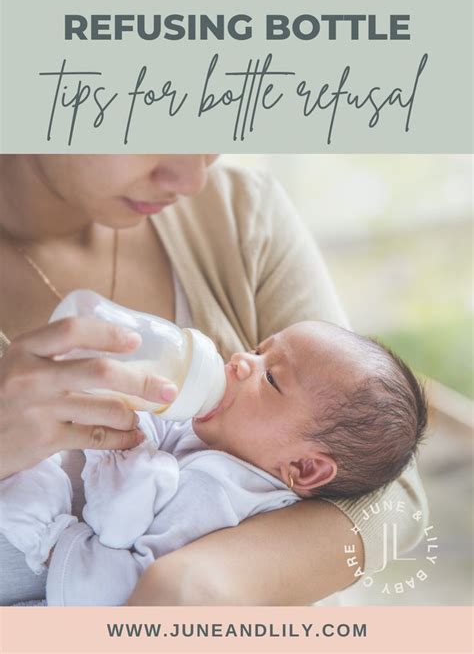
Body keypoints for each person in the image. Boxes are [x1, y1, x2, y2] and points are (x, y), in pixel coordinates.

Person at [0, 154, 428, 605]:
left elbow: (392, 492)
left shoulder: (238, 209)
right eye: (161, 136)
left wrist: (196, 581)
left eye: (211, 145)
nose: (191, 180)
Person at [0, 319, 427, 606]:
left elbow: (125, 543)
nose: (242, 361)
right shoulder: (222, 436)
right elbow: (153, 433)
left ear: (304, 468)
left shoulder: (222, 492)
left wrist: (127, 461)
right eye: (259, 350)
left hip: (89, 586)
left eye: (271, 378)